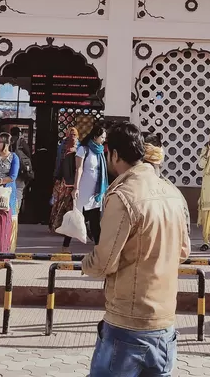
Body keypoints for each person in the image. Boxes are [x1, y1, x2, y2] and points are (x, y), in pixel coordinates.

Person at [82, 122, 191, 377]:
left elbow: (104, 262)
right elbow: (183, 251)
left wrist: (86, 263)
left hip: (128, 322)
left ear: (115, 154)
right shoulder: (173, 192)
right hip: (164, 322)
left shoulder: (123, 196)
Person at [73, 127, 108, 245]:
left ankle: (98, 246)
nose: (104, 140)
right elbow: (79, 169)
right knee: (77, 217)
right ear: (95, 137)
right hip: (84, 188)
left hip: (97, 190)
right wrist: (76, 188)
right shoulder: (83, 149)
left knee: (95, 219)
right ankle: (65, 245)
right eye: (102, 137)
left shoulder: (100, 151)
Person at [0, 132, 21, 249]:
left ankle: (8, 248)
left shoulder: (14, 157)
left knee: (10, 217)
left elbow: (13, 177)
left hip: (9, 191)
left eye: (0, 142)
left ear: (6, 144)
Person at [49, 128, 78, 247]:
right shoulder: (63, 146)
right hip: (64, 181)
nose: (73, 137)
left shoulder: (79, 147)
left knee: (69, 206)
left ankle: (67, 228)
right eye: (71, 134)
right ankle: (59, 226)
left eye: (74, 134)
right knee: (61, 204)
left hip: (72, 181)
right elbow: (59, 163)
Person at [10, 127, 34, 221]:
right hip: (20, 171)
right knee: (18, 192)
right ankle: (15, 213)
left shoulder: (8, 141)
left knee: (9, 192)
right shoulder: (21, 141)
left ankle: (9, 212)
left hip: (9, 171)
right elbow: (28, 153)